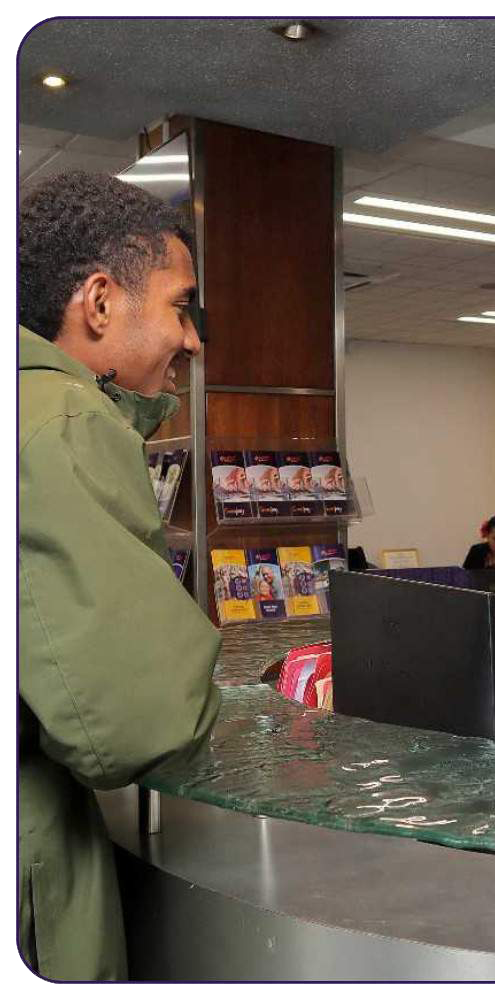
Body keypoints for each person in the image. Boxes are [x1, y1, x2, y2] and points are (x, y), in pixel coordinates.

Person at [19, 171, 222, 980]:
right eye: (181, 307)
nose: (193, 340)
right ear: (100, 303)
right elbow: (140, 725)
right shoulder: (65, 422)